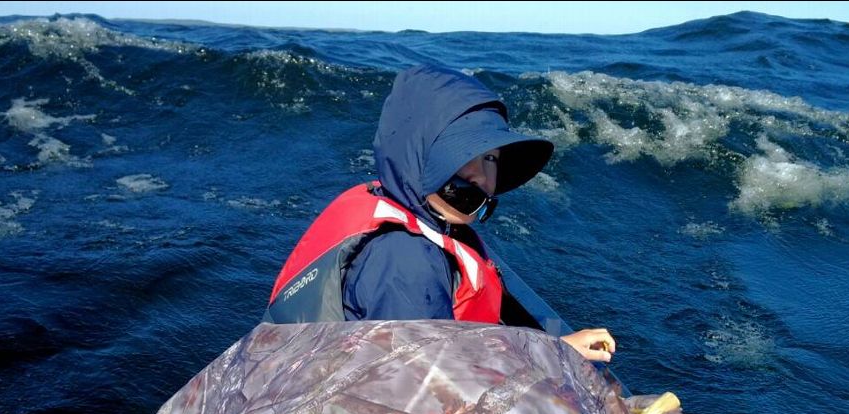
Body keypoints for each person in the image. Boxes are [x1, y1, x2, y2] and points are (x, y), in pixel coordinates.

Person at [263, 64, 615, 362]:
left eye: (490, 157)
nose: (481, 174)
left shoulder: (410, 210)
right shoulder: (407, 262)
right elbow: (427, 392)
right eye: (464, 154)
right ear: (417, 157)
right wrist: (555, 354)